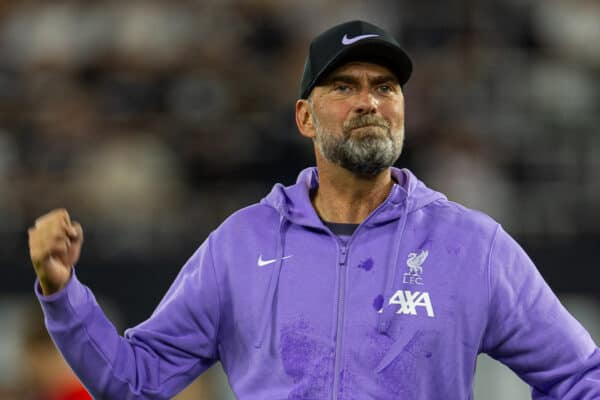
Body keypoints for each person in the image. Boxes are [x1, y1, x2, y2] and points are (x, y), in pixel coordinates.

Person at [28, 20, 600, 399]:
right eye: (345, 87)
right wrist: (62, 293)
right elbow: (134, 380)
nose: (369, 101)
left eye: (385, 87)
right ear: (305, 117)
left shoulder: (471, 246)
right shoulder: (241, 244)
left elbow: (580, 377)